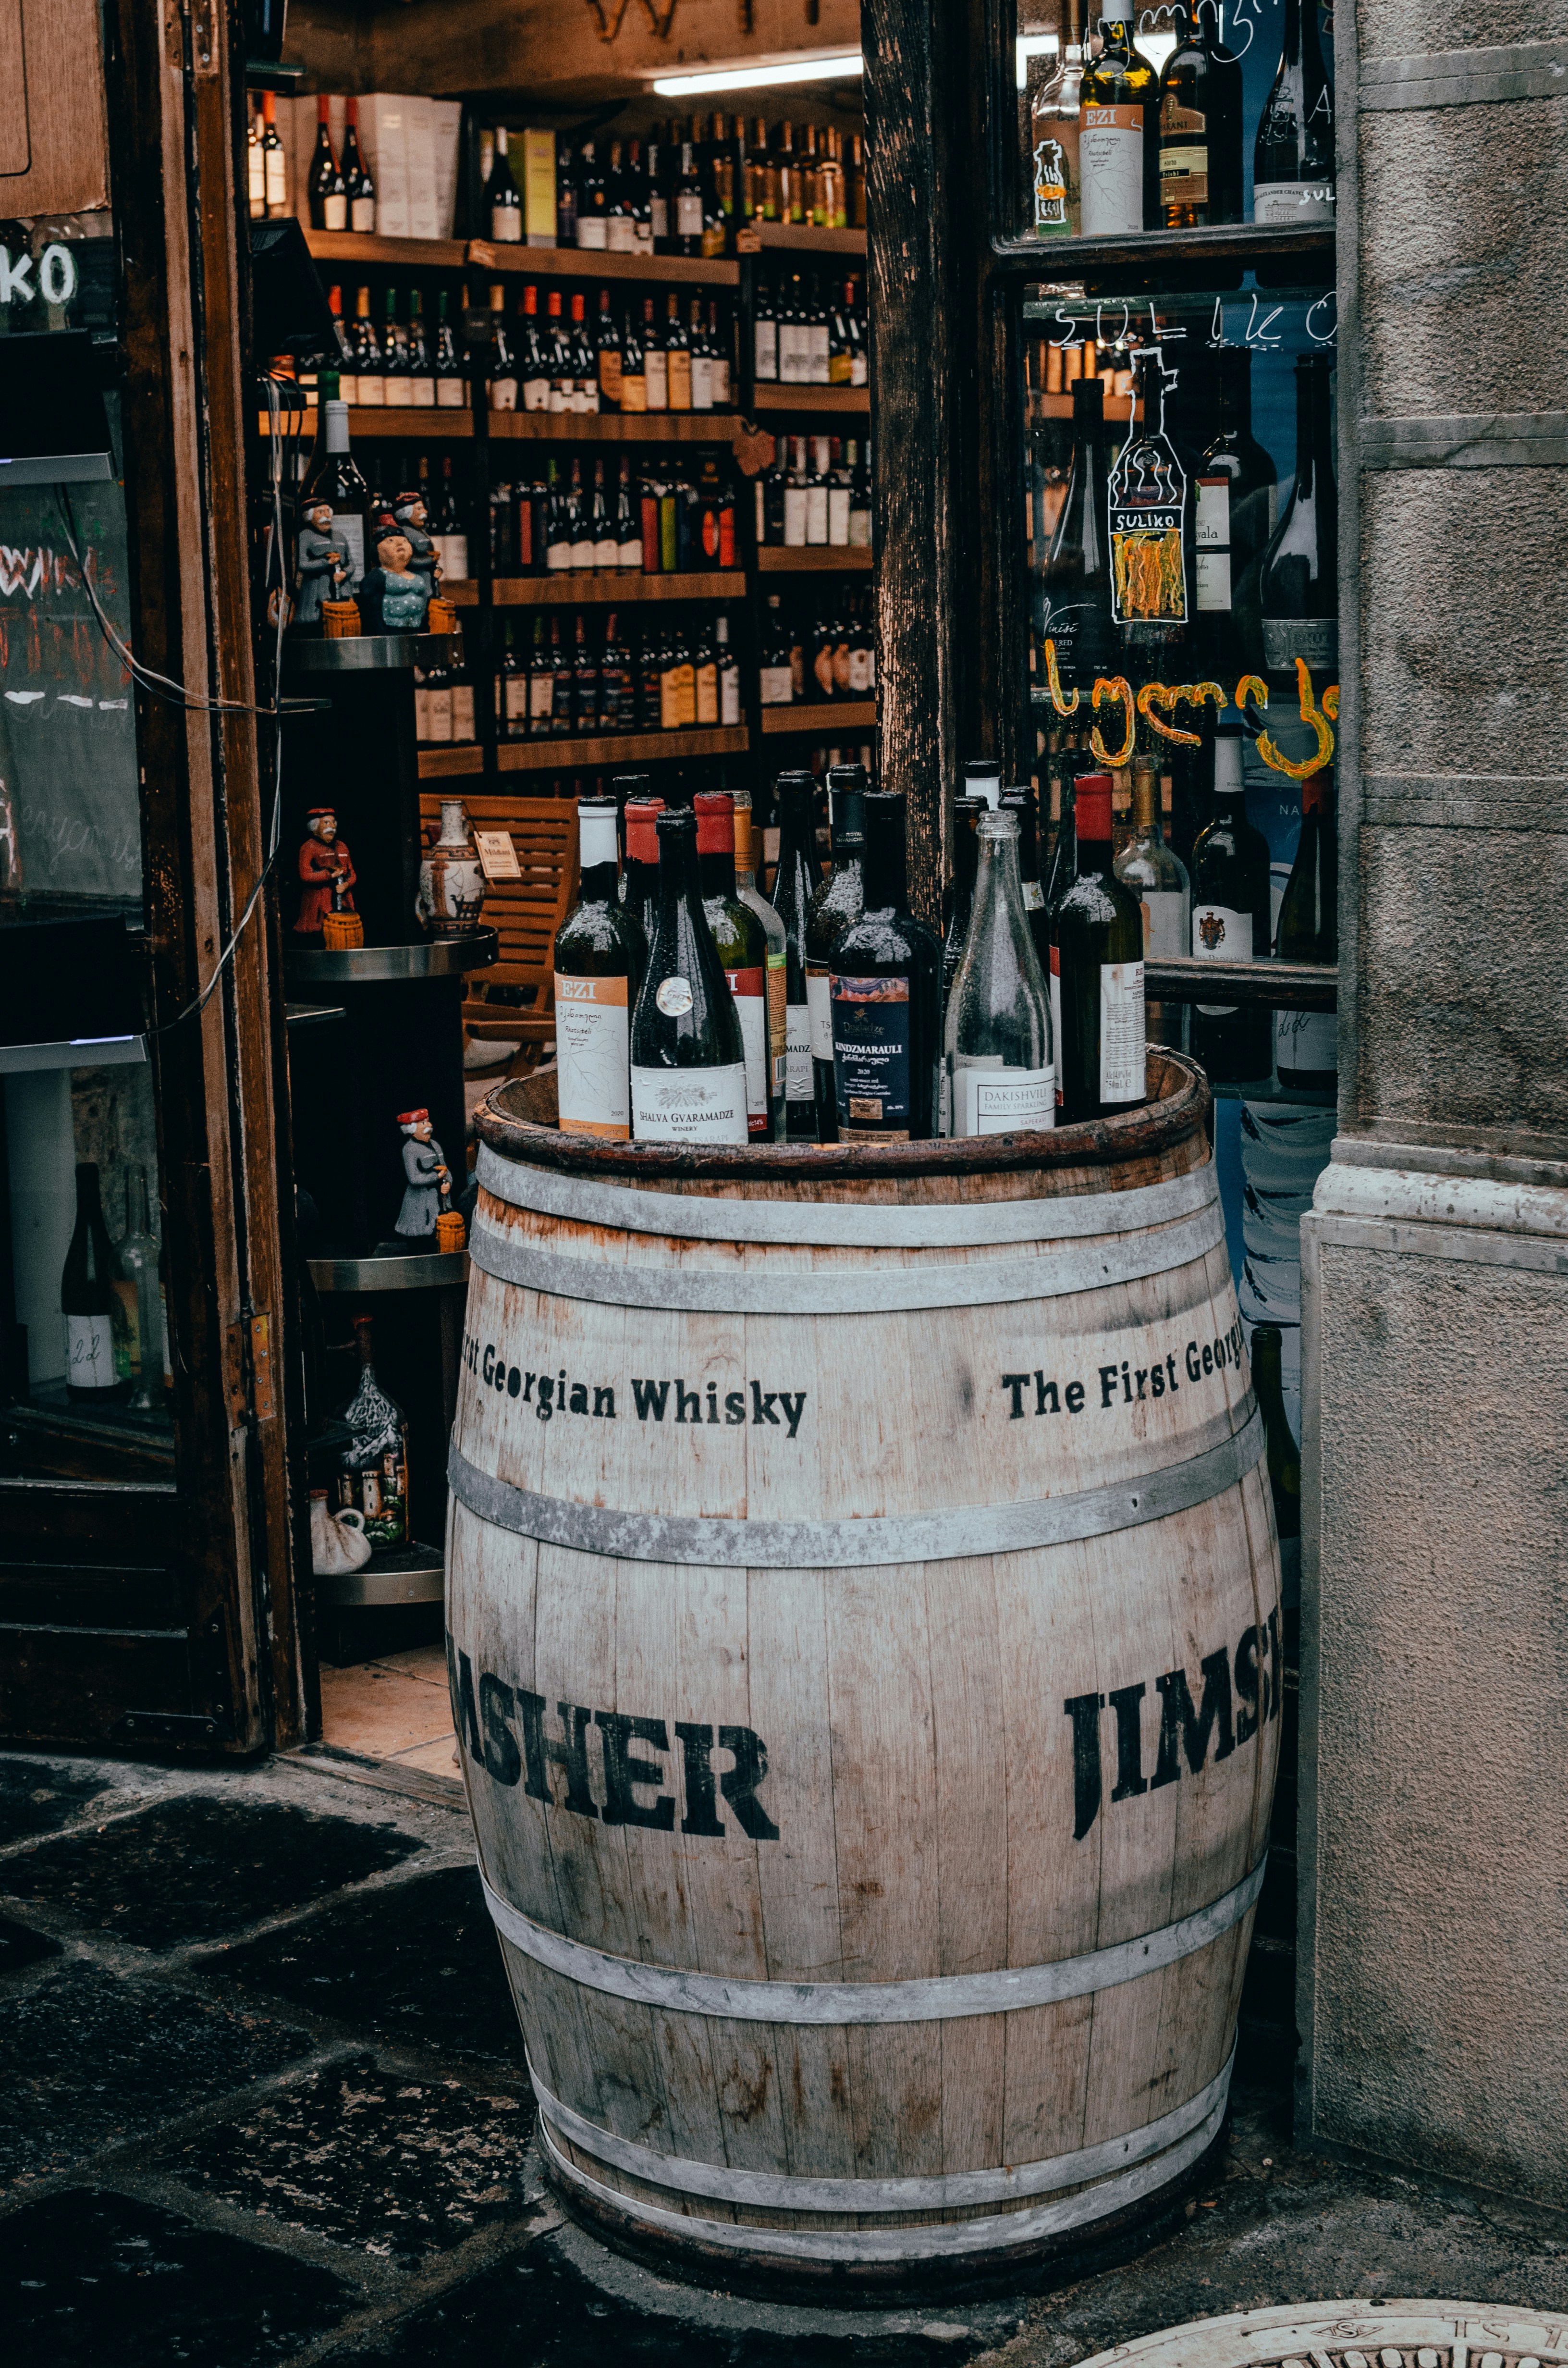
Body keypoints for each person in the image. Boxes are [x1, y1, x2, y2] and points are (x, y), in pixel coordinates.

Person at [357, 514, 431, 635]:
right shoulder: (378, 575)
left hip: (416, 625)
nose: (400, 544)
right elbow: (368, 599)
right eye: (391, 541)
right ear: (377, 549)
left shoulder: (415, 575)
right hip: (388, 627)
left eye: (404, 541)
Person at [294, 808, 356, 936]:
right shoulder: (308, 848)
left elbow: (352, 873)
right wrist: (329, 875)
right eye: (327, 823)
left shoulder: (342, 846)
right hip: (319, 905)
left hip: (343, 902)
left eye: (334, 822)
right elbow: (305, 875)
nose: (332, 827)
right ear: (315, 827)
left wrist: (346, 885)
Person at [293, 497, 352, 629]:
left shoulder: (340, 536)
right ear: (309, 516)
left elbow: (350, 563)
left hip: (342, 589)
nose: (326, 516)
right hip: (316, 589)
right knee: (317, 626)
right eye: (320, 512)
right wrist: (326, 562)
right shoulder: (305, 536)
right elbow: (301, 564)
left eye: (328, 512)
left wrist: (345, 573)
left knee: (344, 625)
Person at [394, 1108, 452, 1239]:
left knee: (444, 1234)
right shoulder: (409, 1149)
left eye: (428, 1122)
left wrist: (448, 1184)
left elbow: (446, 1170)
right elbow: (413, 1178)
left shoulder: (436, 1145)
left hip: (440, 1199)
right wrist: (435, 1177)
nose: (430, 1126)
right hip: (420, 1201)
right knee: (422, 1235)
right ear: (412, 1129)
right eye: (424, 1124)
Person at [392, 487, 441, 596]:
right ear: (406, 513)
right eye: (419, 509)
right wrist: (430, 560)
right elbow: (407, 560)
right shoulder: (404, 534)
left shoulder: (421, 531)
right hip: (416, 580)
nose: (425, 512)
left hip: (429, 578)